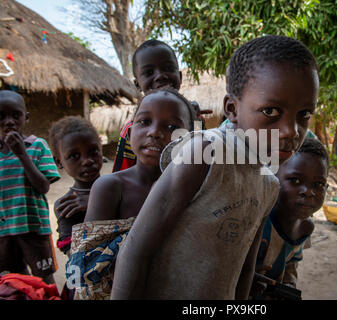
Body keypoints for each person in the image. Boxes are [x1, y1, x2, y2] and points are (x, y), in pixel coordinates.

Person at [111, 35, 320, 300]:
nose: (291, 130)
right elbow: (136, 250)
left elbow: (245, 267)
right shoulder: (203, 155)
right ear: (232, 109)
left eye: (304, 114)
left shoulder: (269, 184)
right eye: (270, 111)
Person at [66, 88, 199, 300]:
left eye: (172, 127)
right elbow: (89, 263)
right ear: (129, 134)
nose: (155, 132)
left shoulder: (196, 191)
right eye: (145, 122)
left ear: (190, 141)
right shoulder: (110, 187)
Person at [250, 138, 329, 300]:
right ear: (273, 177)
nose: (308, 192)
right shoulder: (257, 221)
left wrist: (289, 285)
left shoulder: (305, 227)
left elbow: (291, 263)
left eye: (318, 184)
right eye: (295, 180)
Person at [113, 39, 208, 173]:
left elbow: (199, 159)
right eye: (149, 72)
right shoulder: (133, 128)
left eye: (168, 69)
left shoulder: (197, 121)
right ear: (137, 85)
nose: (160, 76)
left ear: (180, 77)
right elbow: (122, 175)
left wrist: (195, 118)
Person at [0, 90, 60, 285]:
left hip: (35, 230)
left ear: (26, 117)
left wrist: (22, 155)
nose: (9, 121)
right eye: (1, 117)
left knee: (45, 279)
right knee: (15, 281)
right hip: (4, 232)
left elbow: (43, 186)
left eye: (15, 115)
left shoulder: (37, 146)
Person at [49, 116, 103, 257]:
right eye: (74, 156)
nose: (87, 161)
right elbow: (74, 253)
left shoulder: (120, 185)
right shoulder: (66, 205)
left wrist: (94, 203)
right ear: (59, 162)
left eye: (93, 151)